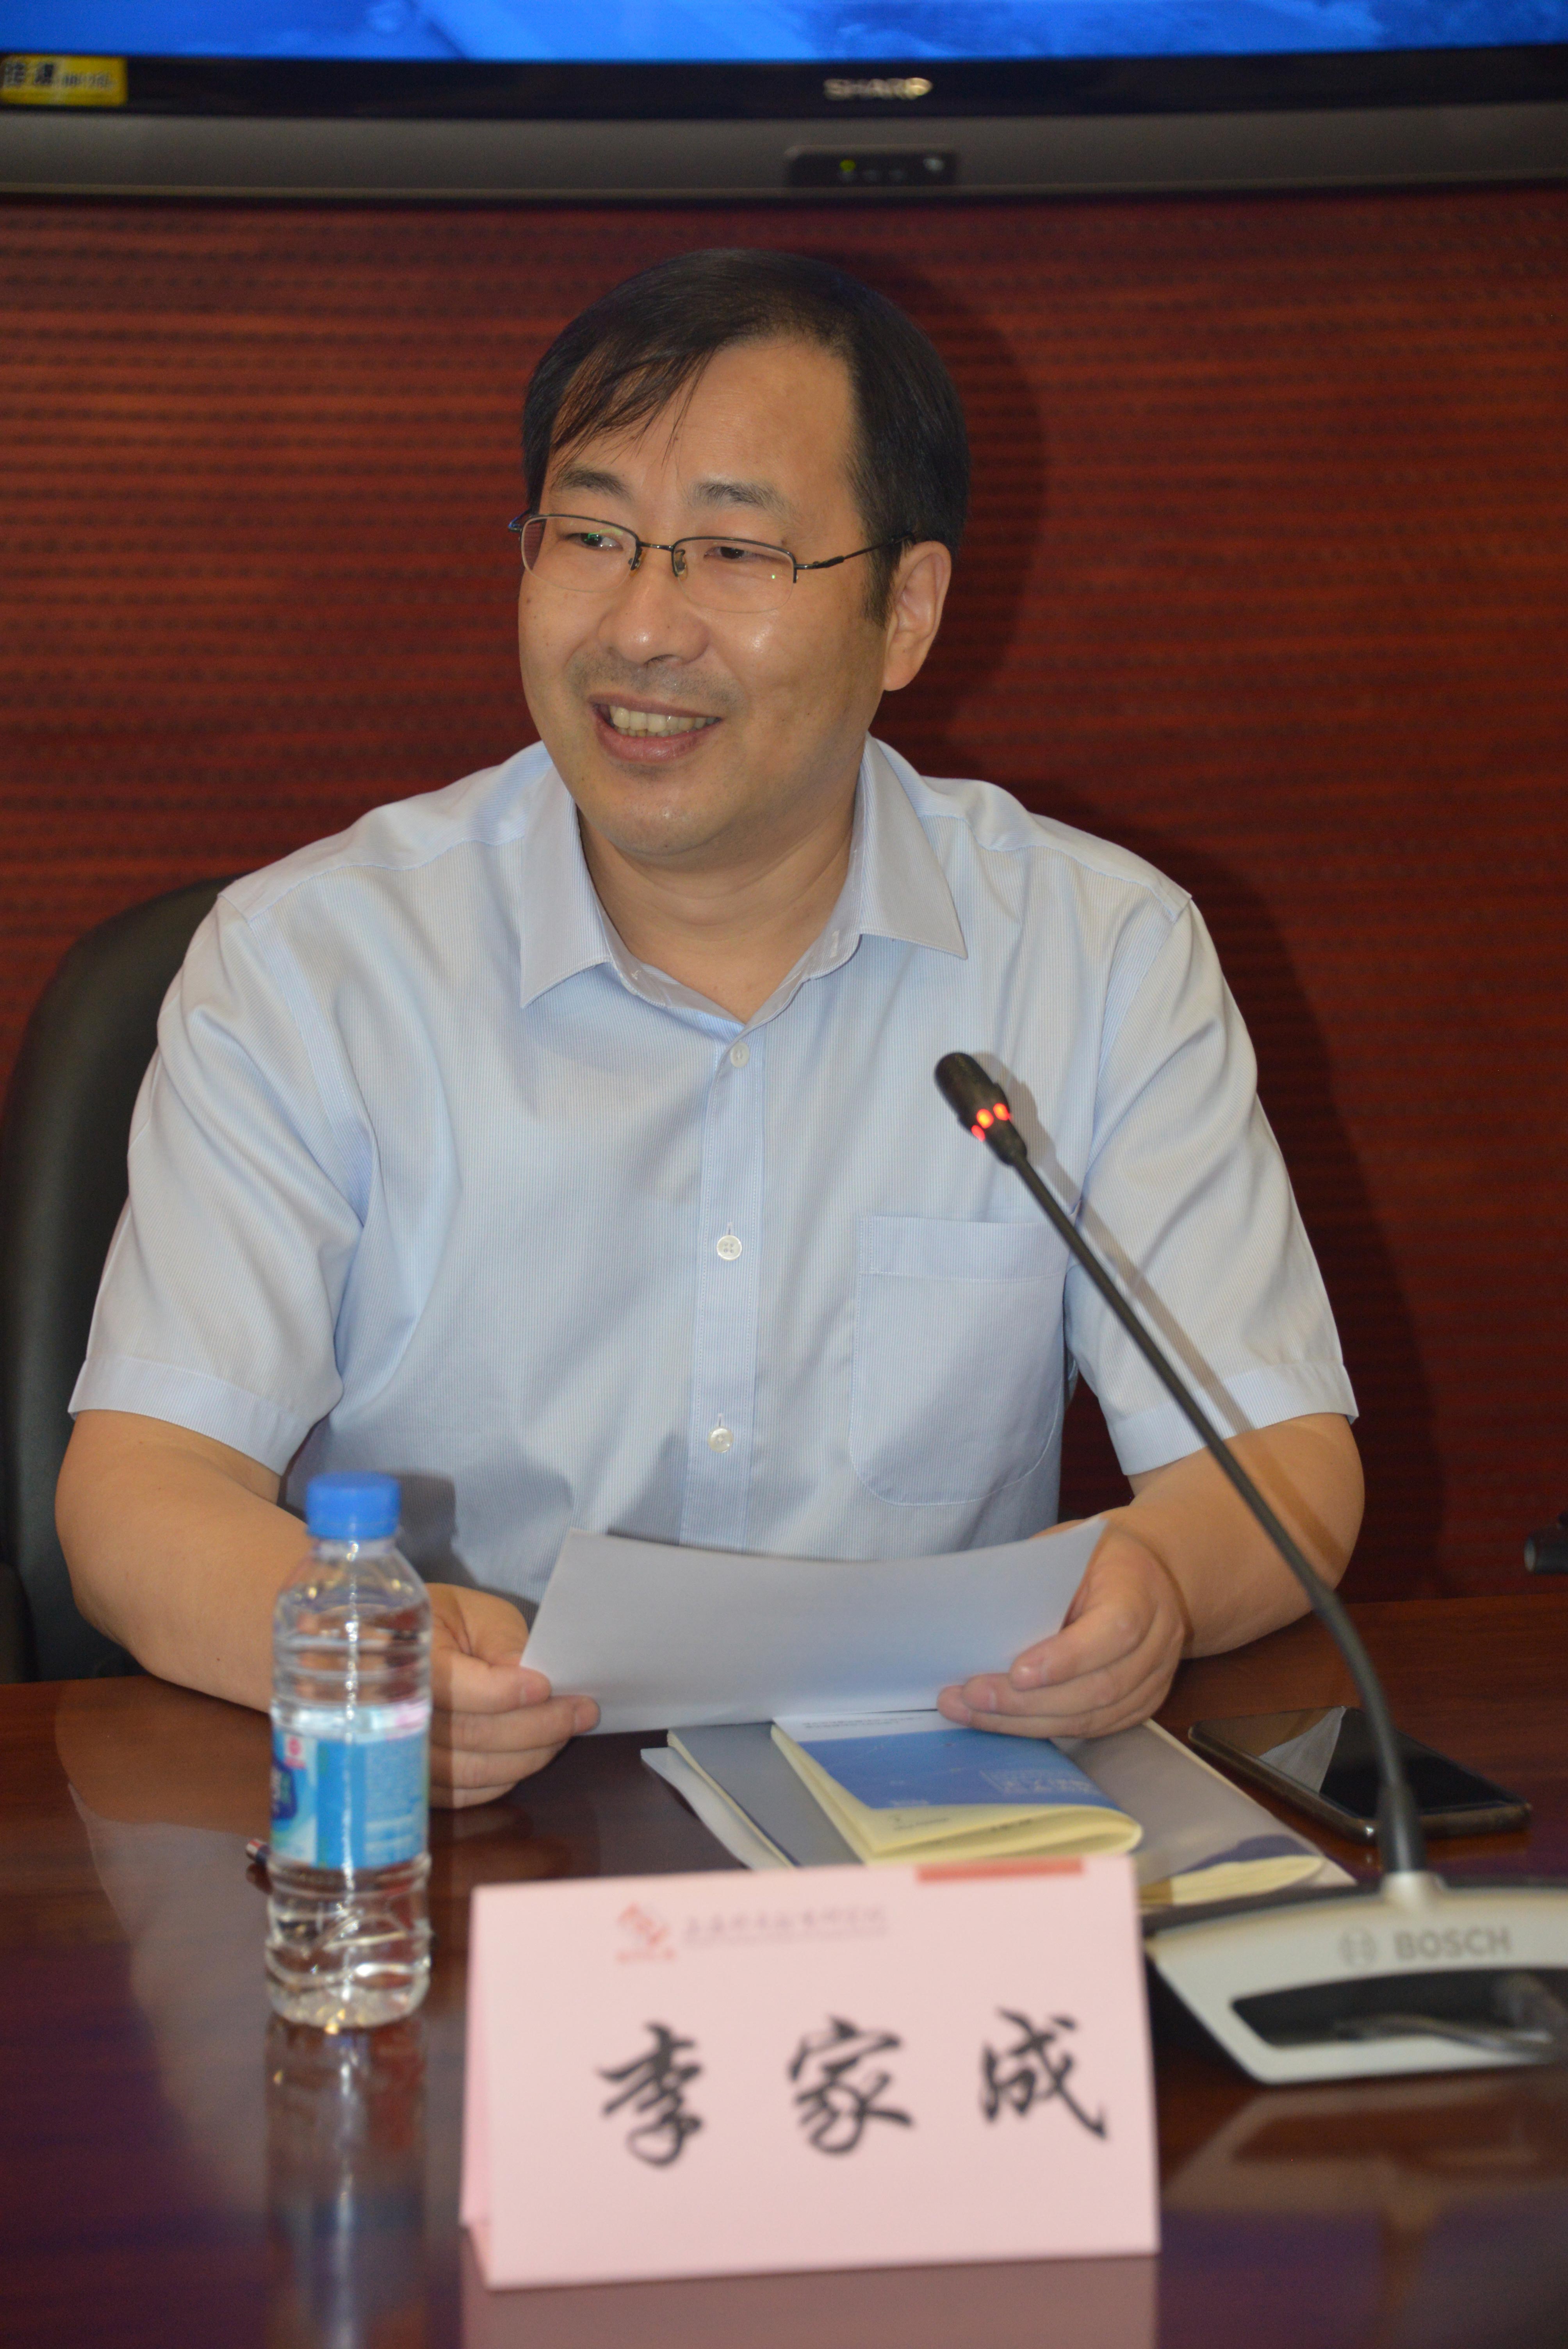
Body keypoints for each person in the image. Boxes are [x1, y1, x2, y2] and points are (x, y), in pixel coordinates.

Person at [57, 249, 1362, 1807]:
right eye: (591, 535)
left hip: (928, 1820)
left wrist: (1158, 1585)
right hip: (458, 1822)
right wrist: (357, 1653)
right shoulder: (314, 963)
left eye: (734, 551)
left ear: (905, 612)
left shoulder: (1097, 953)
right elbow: (137, 1492)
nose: (641, 627)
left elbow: (1281, 1467)